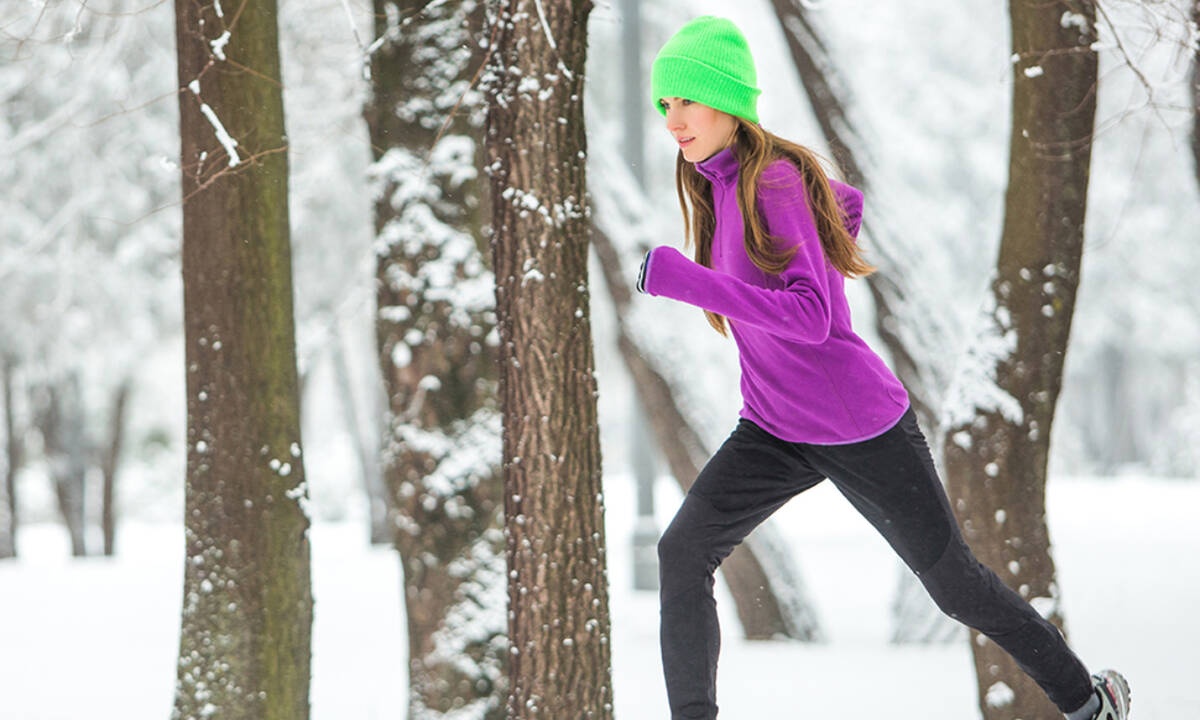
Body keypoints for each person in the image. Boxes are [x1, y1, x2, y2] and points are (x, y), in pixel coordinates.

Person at [635, 15, 1130, 720]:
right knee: (683, 552)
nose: (671, 118)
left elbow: (813, 317)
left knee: (954, 585)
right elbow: (844, 205)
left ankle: (1089, 699)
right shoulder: (722, 187)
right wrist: (820, 218)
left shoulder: (771, 180)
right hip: (774, 425)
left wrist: (688, 280)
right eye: (664, 104)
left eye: (685, 99)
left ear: (729, 102)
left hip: (858, 424)